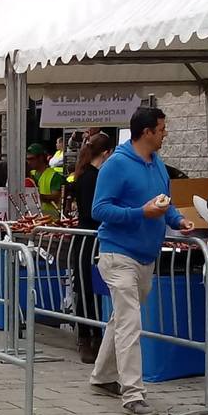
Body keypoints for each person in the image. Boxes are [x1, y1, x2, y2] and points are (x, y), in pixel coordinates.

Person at [89, 107, 194, 415]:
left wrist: (177, 218)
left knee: (122, 319)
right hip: (117, 253)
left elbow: (164, 201)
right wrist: (140, 213)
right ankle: (133, 393)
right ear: (147, 132)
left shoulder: (157, 163)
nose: (165, 133)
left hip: (146, 255)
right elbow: (99, 209)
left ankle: (102, 376)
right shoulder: (116, 165)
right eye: (162, 129)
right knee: (130, 322)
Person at [69, 133, 113, 364]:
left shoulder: (86, 174)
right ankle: (88, 337)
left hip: (89, 237)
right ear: (106, 153)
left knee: (89, 288)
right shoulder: (92, 177)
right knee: (87, 289)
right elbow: (92, 211)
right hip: (90, 237)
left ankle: (92, 336)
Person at [27, 143, 64, 219]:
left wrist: (36, 196)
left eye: (31, 159)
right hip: (33, 219)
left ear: (40, 158)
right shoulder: (30, 174)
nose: (29, 162)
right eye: (27, 159)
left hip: (51, 221)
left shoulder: (54, 176)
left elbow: (55, 197)